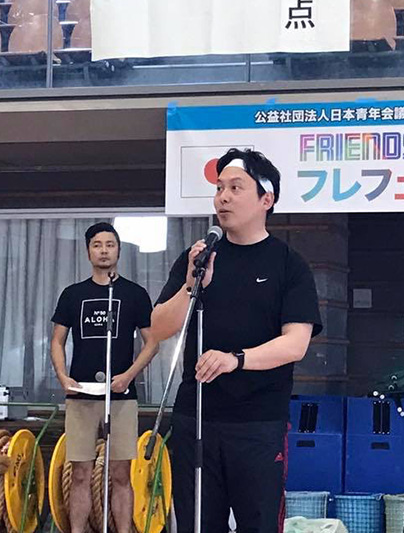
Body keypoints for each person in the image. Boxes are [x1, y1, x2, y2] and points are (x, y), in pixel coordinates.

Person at [151, 148, 323, 533]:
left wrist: (236, 359)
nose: (223, 198)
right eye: (219, 188)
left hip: (258, 423)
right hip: (196, 418)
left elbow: (295, 344)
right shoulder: (198, 258)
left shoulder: (289, 264)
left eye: (235, 188)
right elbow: (158, 327)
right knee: (196, 523)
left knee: (258, 523)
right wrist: (191, 286)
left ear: (266, 199)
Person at [50, 222, 159, 533]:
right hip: (81, 395)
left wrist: (129, 375)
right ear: (88, 251)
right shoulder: (73, 295)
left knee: (122, 474)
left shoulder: (134, 294)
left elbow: (152, 343)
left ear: (118, 250)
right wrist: (62, 376)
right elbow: (57, 341)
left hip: (121, 397)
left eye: (110, 245)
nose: (104, 251)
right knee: (80, 473)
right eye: (97, 245)